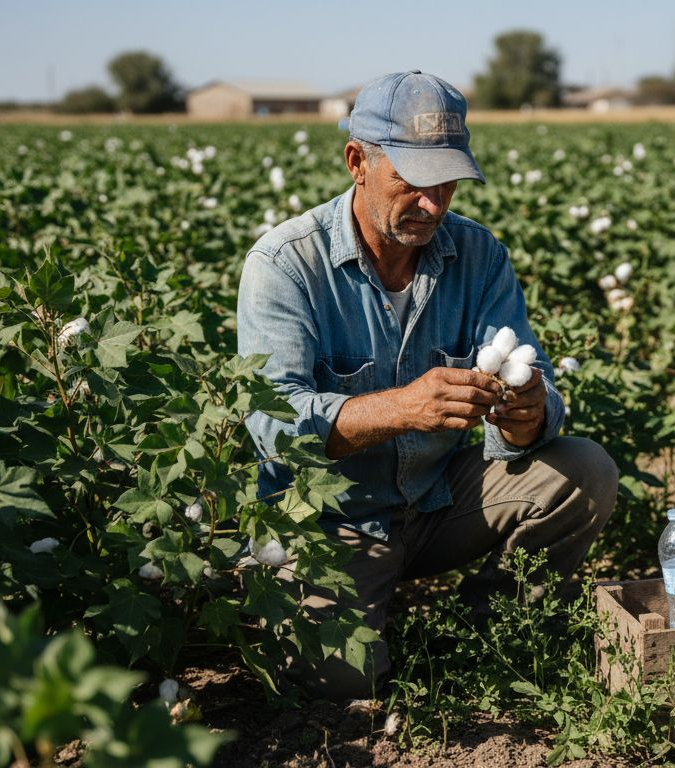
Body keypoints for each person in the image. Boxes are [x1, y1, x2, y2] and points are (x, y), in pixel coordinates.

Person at [236, 70, 617, 700]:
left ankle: (484, 630)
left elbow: (534, 378)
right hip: (334, 524)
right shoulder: (285, 266)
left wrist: (526, 414)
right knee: (339, 683)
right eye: (412, 182)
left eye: (445, 182)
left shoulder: (477, 254)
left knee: (585, 470)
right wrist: (401, 409)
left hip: (438, 502)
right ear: (357, 162)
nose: (433, 204)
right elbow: (272, 429)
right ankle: (360, 618)